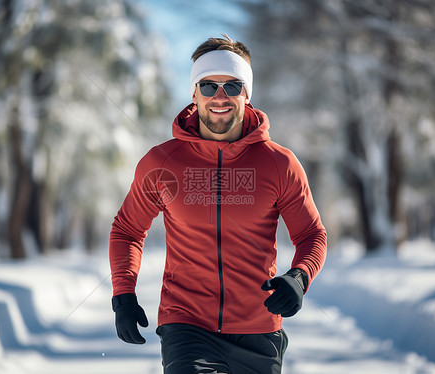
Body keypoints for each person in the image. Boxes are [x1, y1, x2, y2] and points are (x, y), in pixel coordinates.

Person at [109, 35, 327, 374]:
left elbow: (312, 234)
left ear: (247, 93)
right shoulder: (162, 162)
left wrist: (299, 277)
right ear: (194, 94)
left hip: (259, 332)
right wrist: (123, 293)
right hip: (187, 325)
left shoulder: (280, 164)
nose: (219, 97)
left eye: (232, 86)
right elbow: (127, 230)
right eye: (208, 86)